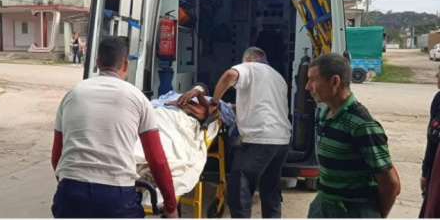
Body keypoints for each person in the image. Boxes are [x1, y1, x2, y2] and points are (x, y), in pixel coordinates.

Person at [51, 36, 178, 219]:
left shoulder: (72, 94)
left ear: (97, 63)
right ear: (126, 65)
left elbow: (57, 155)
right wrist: (170, 206)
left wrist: (69, 187)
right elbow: (156, 160)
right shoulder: (138, 98)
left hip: (70, 193)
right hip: (117, 197)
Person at [180, 47, 291, 218]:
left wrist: (215, 102)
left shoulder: (250, 67)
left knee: (240, 188)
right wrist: (230, 107)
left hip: (258, 139)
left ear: (248, 58)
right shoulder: (277, 77)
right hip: (281, 141)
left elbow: (230, 76)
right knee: (270, 191)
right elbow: (261, 107)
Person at [305, 52, 400, 218]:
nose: (307, 87)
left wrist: (374, 214)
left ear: (334, 81)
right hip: (323, 206)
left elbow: (390, 183)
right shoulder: (326, 115)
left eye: (313, 80)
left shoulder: (363, 125)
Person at [419, 67, 440, 217]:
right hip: (434, 174)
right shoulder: (438, 99)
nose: (437, 75)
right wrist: (425, 173)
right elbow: (431, 141)